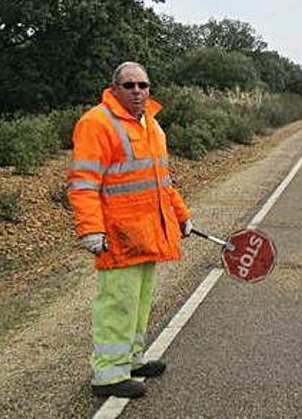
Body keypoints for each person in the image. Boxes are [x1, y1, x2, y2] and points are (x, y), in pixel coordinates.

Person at [67, 62, 192, 399]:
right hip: (117, 237)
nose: (137, 91)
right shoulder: (96, 123)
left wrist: (181, 216)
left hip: (149, 233)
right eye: (129, 85)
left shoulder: (152, 125)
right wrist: (90, 229)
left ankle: (130, 360)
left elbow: (162, 181)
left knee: (140, 301)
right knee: (117, 303)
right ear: (115, 88)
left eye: (143, 85)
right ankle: (108, 375)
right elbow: (83, 184)